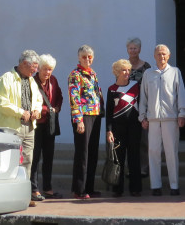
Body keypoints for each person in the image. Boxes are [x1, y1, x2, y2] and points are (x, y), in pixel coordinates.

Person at [0, 50, 43, 207]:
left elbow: (38, 98)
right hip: (12, 128)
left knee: (28, 162)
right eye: (34, 67)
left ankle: (24, 196)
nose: (36, 70)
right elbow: (1, 103)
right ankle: (8, 197)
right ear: (24, 64)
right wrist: (20, 112)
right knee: (11, 161)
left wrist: (37, 110)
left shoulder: (31, 81)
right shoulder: (6, 79)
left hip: (29, 128)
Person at [139, 44, 185, 196]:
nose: (161, 56)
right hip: (152, 119)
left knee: (171, 152)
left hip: (170, 118)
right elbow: (143, 97)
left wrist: (181, 113)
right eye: (159, 54)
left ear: (169, 55)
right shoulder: (148, 74)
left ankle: (174, 185)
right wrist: (142, 116)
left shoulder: (175, 72)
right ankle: (156, 185)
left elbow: (181, 94)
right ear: (154, 56)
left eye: (164, 54)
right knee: (153, 151)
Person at [68, 44, 104, 200]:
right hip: (83, 117)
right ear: (78, 57)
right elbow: (74, 99)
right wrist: (78, 120)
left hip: (95, 115)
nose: (87, 59)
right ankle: (79, 189)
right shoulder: (75, 74)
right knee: (83, 153)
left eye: (90, 56)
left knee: (93, 153)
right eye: (84, 56)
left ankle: (89, 187)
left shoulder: (93, 73)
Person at [106, 59, 142, 197]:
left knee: (134, 156)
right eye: (123, 70)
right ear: (117, 72)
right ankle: (117, 189)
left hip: (135, 127)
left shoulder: (136, 85)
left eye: (128, 70)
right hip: (117, 129)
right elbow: (109, 112)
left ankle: (135, 188)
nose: (127, 72)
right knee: (119, 159)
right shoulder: (111, 89)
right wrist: (109, 130)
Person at [30, 54, 63, 201]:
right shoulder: (32, 81)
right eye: (45, 69)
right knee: (35, 158)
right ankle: (34, 189)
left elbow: (59, 96)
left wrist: (56, 108)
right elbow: (30, 102)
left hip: (50, 124)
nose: (47, 72)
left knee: (49, 157)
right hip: (37, 124)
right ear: (39, 69)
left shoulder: (53, 80)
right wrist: (46, 110)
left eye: (50, 69)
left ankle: (48, 188)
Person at [126, 37, 151, 177]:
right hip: (127, 107)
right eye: (131, 48)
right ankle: (130, 167)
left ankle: (143, 167)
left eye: (135, 48)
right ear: (127, 50)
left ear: (140, 49)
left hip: (143, 106)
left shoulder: (146, 67)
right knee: (129, 139)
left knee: (143, 138)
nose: (133, 50)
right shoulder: (123, 65)